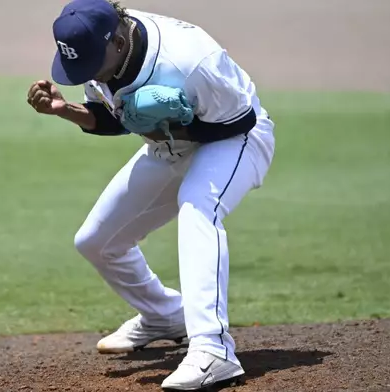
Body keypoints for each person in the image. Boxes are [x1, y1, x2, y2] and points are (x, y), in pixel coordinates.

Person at [26, 0, 275, 389]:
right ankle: (164, 315)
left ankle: (214, 349)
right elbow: (112, 117)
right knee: (96, 242)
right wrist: (66, 110)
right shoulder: (100, 51)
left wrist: (175, 130)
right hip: (171, 144)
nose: (86, 72)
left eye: (92, 62)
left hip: (237, 140)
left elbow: (240, 121)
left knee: (198, 207)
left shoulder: (190, 60)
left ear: (119, 43)